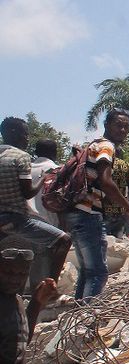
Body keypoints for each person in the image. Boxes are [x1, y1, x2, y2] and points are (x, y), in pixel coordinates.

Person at [64, 109, 129, 301]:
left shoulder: (93, 145)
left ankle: (78, 321)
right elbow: (107, 181)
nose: (123, 130)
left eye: (126, 127)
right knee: (99, 273)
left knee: (87, 272)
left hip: (76, 212)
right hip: (88, 213)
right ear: (107, 125)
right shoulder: (107, 146)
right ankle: (88, 322)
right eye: (118, 125)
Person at [0, 117, 71, 283]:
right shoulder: (21, 157)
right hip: (17, 219)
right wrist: (42, 179)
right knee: (64, 241)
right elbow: (28, 193)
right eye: (25, 134)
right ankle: (50, 287)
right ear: (13, 133)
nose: (27, 138)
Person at [102, 157, 129, 238]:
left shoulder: (104, 165)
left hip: (104, 209)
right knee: (118, 243)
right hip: (121, 210)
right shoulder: (126, 166)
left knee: (103, 243)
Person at [27, 139, 59, 227]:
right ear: (55, 152)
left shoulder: (25, 170)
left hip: (24, 224)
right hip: (50, 225)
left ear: (36, 152)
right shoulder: (58, 170)